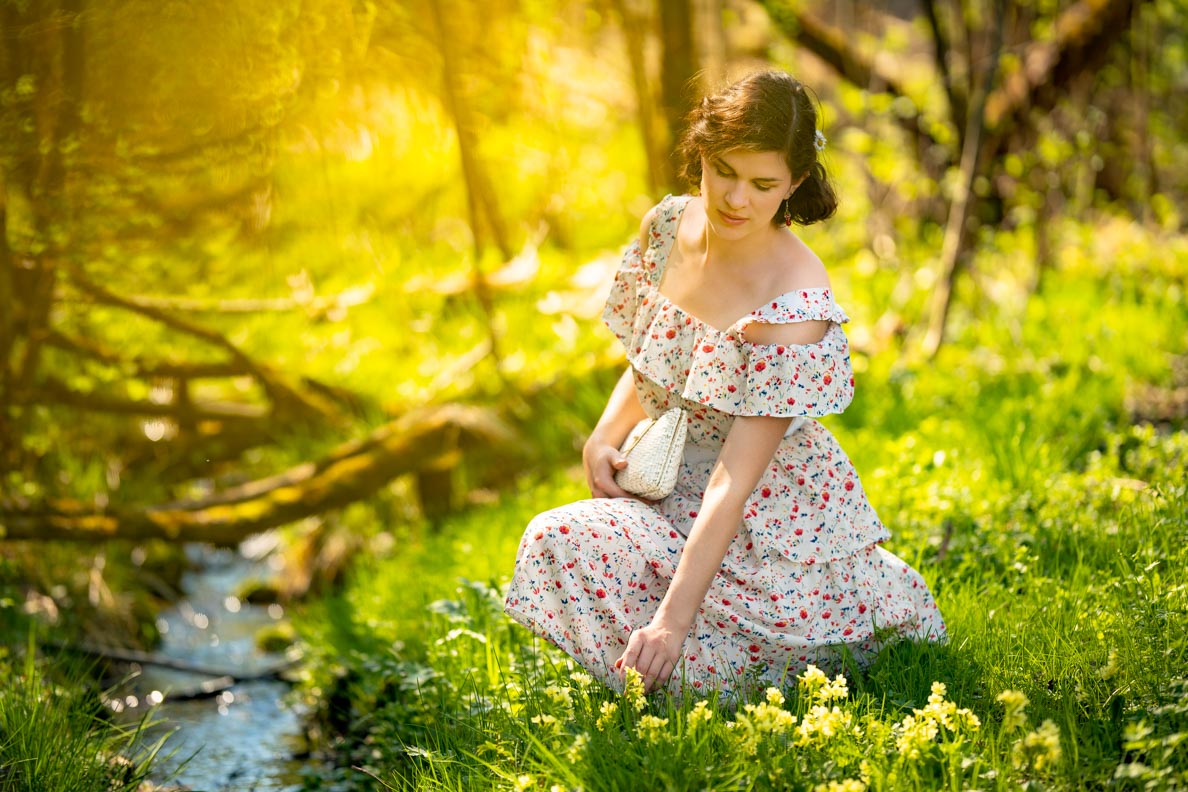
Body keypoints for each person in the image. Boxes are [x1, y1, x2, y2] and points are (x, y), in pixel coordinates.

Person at [504, 70, 946, 698]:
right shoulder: (667, 228)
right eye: (725, 172)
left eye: (763, 184)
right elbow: (661, 356)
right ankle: (659, 685)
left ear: (794, 183)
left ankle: (695, 683)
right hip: (666, 481)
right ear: (702, 157)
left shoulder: (794, 301)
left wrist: (671, 623)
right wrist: (605, 434)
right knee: (555, 540)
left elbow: (735, 480)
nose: (737, 199)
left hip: (766, 522)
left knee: (671, 607)